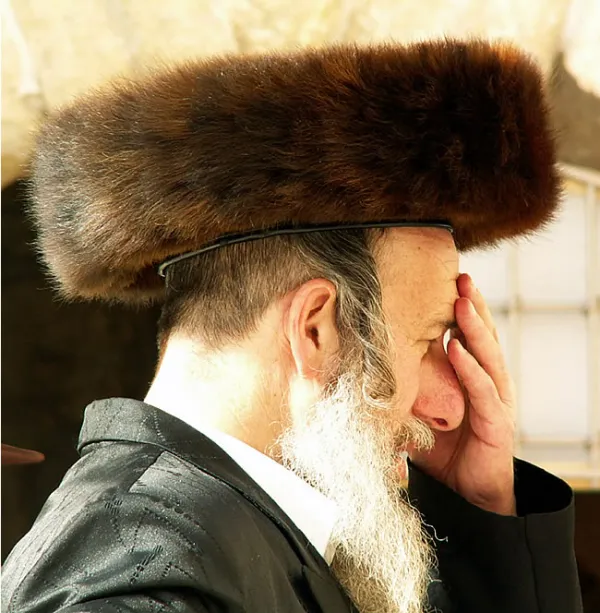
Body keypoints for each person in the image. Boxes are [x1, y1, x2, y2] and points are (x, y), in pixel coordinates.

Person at [1, 39, 583, 613]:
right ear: (314, 330)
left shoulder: (239, 533)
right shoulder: (142, 577)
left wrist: (484, 509)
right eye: (430, 340)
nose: (451, 406)